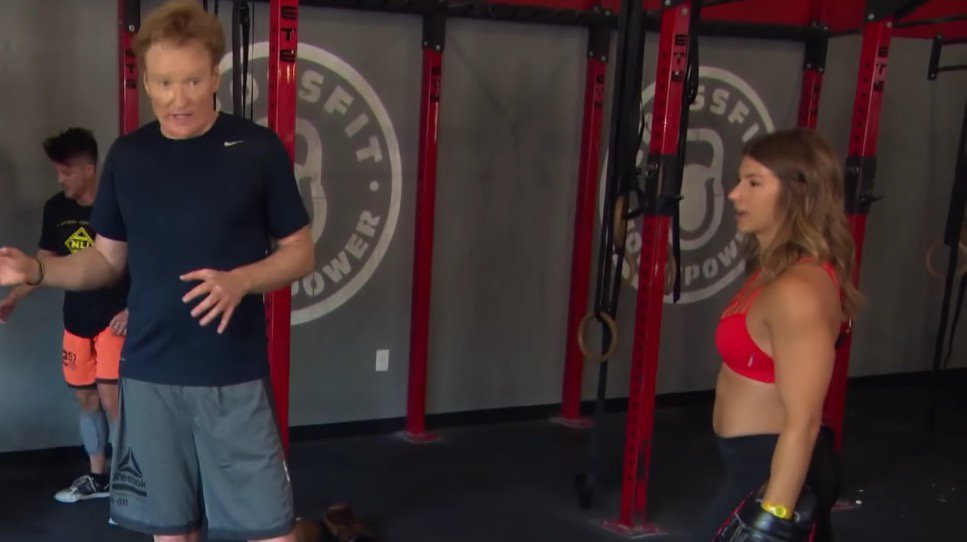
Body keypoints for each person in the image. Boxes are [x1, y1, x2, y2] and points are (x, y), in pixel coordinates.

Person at [0, 1, 314, 540]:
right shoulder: (128, 156)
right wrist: (36, 271)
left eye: (192, 80)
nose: (178, 98)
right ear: (146, 82)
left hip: (230, 373)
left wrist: (242, 280)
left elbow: (300, 252)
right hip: (149, 375)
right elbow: (105, 261)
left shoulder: (256, 150)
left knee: (271, 532)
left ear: (214, 76)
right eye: (164, 82)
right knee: (171, 532)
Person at [691, 128, 862, 541]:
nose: (734, 194)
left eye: (753, 183)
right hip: (752, 465)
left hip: (774, 471)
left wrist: (774, 519)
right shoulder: (774, 270)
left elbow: (804, 423)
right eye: (739, 180)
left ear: (798, 193)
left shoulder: (797, 292)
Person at [0, 127, 129, 504]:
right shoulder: (56, 209)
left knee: (113, 399)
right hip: (77, 319)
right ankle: (98, 477)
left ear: (89, 169)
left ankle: (128, 481)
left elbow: (147, 263)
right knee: (86, 399)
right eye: (57, 171)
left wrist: (133, 309)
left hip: (115, 319)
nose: (60, 179)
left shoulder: (117, 206)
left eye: (66, 171)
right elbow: (43, 265)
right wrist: (15, 297)